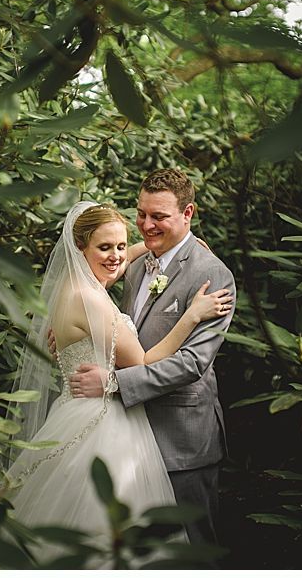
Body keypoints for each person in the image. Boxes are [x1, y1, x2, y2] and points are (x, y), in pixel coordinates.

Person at [0, 201, 232, 563]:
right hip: (103, 422)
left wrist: (172, 243)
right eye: (104, 248)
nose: (116, 256)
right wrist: (191, 316)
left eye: (121, 245)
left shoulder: (72, 288)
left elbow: (118, 258)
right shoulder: (90, 299)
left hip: (75, 411)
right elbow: (141, 360)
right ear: (80, 249)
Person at [67, 168, 236, 549]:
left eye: (158, 216)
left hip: (181, 438)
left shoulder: (212, 274)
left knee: (191, 550)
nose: (146, 224)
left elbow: (192, 363)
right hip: (125, 435)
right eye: (141, 213)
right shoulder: (131, 265)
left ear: (188, 212)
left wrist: (112, 385)